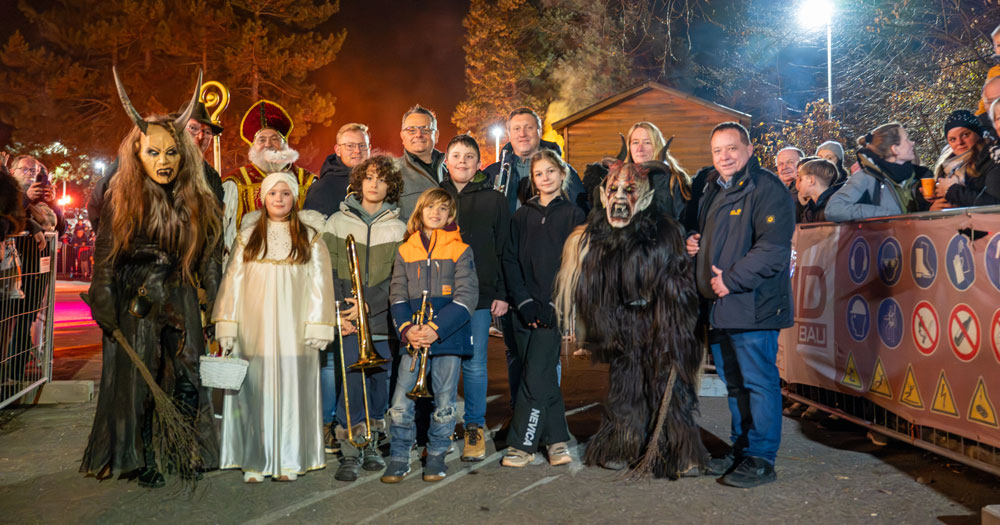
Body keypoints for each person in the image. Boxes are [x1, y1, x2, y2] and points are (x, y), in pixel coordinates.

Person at [81, 72, 223, 488]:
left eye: (172, 152)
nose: (163, 161)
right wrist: (103, 294)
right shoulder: (122, 191)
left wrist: (218, 304)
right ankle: (141, 455)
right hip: (137, 294)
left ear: (184, 154)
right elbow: (106, 252)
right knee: (139, 376)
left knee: (189, 371)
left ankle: (184, 447)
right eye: (153, 152)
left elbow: (211, 255)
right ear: (138, 153)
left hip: (180, 288)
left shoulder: (202, 190)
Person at [555, 160, 708, 479]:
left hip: (660, 324)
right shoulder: (598, 235)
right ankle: (622, 445)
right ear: (603, 194)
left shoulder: (666, 231)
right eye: (614, 190)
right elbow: (594, 289)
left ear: (647, 197)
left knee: (669, 389)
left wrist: (674, 323)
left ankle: (677, 450)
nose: (620, 197)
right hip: (623, 326)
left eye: (630, 190)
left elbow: (679, 281)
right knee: (626, 387)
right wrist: (607, 325)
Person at [685, 121, 794, 488]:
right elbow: (713, 237)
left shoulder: (766, 188)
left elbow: (773, 250)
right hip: (720, 308)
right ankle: (741, 449)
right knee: (734, 384)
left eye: (732, 148)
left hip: (753, 304)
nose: (724, 156)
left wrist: (730, 279)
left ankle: (761, 458)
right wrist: (693, 242)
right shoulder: (714, 189)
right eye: (717, 150)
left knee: (758, 382)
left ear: (749, 150)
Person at [213, 172, 336, 483]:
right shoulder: (247, 237)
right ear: (263, 198)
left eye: (285, 193)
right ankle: (255, 460)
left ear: (294, 198)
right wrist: (227, 324)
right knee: (254, 392)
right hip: (253, 330)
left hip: (295, 330)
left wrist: (318, 325)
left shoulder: (310, 237)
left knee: (293, 391)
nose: (279, 199)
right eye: (273, 193)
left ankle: (289, 459)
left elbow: (320, 284)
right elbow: (232, 284)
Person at [381, 188, 478, 484]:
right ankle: (399, 455)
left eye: (443, 208)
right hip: (413, 337)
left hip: (448, 337)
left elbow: (467, 297)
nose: (436, 213)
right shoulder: (405, 250)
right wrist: (407, 329)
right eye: (430, 207)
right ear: (419, 212)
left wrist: (435, 329)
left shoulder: (461, 249)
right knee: (400, 401)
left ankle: (436, 454)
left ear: (450, 215)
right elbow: (397, 295)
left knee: (445, 400)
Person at [322, 155, 406, 481]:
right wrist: (339, 311)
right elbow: (326, 271)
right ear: (359, 182)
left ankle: (373, 441)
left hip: (380, 319)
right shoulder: (336, 223)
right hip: (347, 318)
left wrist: (369, 304)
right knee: (352, 382)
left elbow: (399, 277)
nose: (374, 184)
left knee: (378, 381)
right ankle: (351, 448)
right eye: (369, 177)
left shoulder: (398, 228)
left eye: (382, 179)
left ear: (391, 186)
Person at [501, 150, 584, 468]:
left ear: (562, 174)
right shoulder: (521, 216)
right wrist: (522, 302)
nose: (545, 177)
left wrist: (555, 303)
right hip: (522, 309)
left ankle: (521, 444)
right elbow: (510, 260)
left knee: (535, 375)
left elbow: (574, 265)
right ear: (533, 180)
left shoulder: (574, 216)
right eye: (539, 173)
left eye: (551, 171)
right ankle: (557, 440)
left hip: (553, 308)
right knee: (540, 375)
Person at [440, 135, 511, 462]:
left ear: (478, 163)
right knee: (443, 365)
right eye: (456, 155)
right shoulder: (436, 196)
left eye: (469, 156)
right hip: (441, 295)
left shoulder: (494, 200)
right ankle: (441, 428)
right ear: (447, 161)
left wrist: (502, 292)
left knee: (475, 364)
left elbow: (504, 248)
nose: (462, 162)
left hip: (480, 295)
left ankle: (474, 427)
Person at [88, 100, 225, 233]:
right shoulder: (143, 158)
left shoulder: (211, 177)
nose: (201, 136)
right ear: (179, 128)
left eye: (207, 132)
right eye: (193, 128)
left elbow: (215, 223)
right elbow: (99, 202)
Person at [222, 100, 315, 252]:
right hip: (248, 261)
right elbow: (219, 228)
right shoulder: (236, 183)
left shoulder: (307, 181)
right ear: (253, 146)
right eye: (261, 140)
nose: (268, 144)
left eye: (275, 139)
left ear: (285, 144)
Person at [483, 107, 587, 214]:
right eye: (516, 129)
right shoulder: (492, 174)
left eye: (529, 128)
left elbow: (581, 214)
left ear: (539, 132)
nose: (522, 134)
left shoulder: (564, 171)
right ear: (509, 134)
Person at [825, 122, 930, 222]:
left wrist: (931, 208)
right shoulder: (865, 178)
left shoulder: (919, 176)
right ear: (895, 149)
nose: (912, 143)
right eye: (907, 139)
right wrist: (884, 214)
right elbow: (833, 209)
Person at [931, 110, 1000, 208]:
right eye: (953, 139)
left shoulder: (992, 158)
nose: (959, 142)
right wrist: (932, 207)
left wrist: (952, 191)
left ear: (978, 133)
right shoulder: (946, 166)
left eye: (965, 135)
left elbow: (995, 204)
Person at [304, 123, 372, 216]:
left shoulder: (381, 182)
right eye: (350, 146)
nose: (357, 151)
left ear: (369, 148)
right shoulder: (322, 188)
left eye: (362, 145)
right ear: (338, 150)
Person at [396, 105, 445, 220]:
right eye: (411, 130)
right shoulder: (392, 173)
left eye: (425, 129)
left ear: (436, 135)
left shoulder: (451, 173)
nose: (418, 134)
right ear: (402, 136)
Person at [796, 158, 841, 223]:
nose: (798, 184)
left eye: (801, 179)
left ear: (811, 180)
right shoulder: (810, 207)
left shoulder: (833, 207)